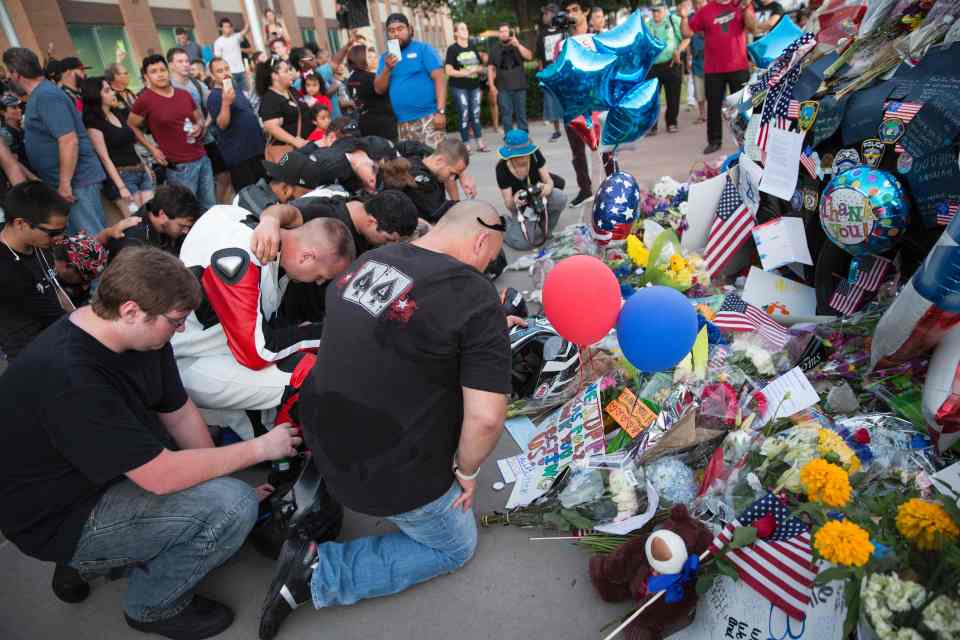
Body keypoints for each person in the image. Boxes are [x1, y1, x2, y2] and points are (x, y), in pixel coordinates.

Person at [0, 246, 300, 639]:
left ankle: (106, 555)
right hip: (56, 516)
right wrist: (259, 451)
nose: (180, 330)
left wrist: (216, 477)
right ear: (130, 311)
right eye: (175, 322)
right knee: (233, 507)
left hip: (88, 477)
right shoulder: (70, 376)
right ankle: (152, 606)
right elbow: (160, 477)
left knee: (221, 490)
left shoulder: (142, 339)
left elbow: (177, 411)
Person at [257, 200, 515, 639]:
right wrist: (466, 471)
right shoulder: (473, 296)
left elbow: (388, 339)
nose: (489, 268)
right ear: (479, 241)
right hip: (379, 464)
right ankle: (319, 573)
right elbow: (487, 418)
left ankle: (324, 491)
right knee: (456, 545)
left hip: (321, 432)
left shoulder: (370, 259)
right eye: (491, 257)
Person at [171, 204, 355, 440]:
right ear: (307, 256)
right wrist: (327, 332)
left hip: (208, 348)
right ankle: (285, 459)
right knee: (308, 371)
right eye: (320, 276)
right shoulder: (240, 257)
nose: (318, 283)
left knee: (293, 342)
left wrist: (271, 217)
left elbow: (292, 213)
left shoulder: (255, 225)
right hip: (186, 362)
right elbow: (257, 354)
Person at [4, 47, 107, 236]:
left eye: (8, 73)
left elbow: (68, 140)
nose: (7, 78)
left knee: (92, 241)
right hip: (66, 184)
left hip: (76, 184)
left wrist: (65, 183)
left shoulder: (47, 96)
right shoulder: (41, 95)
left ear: (16, 74)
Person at [128, 54, 217, 210]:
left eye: (162, 69)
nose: (160, 74)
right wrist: (153, 149)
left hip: (202, 158)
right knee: (186, 213)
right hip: (179, 167)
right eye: (154, 71)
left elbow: (200, 120)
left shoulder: (184, 94)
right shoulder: (144, 100)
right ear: (146, 76)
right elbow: (131, 125)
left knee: (210, 207)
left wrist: (199, 126)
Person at [0, 180, 72, 360]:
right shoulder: (6, 269)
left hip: (58, 336)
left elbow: (57, 290)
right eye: (53, 233)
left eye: (64, 230)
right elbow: (49, 313)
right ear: (21, 224)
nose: (59, 238)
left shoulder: (38, 243)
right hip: (30, 354)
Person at [250, 189, 420, 263]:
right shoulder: (327, 215)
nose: (388, 245)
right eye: (388, 239)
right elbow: (287, 213)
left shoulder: (358, 206)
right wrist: (270, 221)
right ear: (372, 222)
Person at [679, 0, 756, 155]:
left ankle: (748, 140)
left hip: (738, 65)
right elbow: (687, 33)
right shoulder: (706, 10)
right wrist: (683, 17)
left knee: (743, 106)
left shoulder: (741, 4)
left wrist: (747, 8)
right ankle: (714, 141)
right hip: (713, 68)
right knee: (713, 107)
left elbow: (752, 27)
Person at [82, 77, 153, 215]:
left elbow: (131, 145)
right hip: (122, 176)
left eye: (111, 89)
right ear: (96, 95)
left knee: (152, 215)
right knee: (139, 222)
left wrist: (145, 167)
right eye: (107, 90)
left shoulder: (118, 113)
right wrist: (121, 187)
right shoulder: (92, 122)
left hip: (140, 170)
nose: (113, 93)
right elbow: (104, 157)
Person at [168, 47, 230, 205]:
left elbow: (210, 105)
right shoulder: (169, 87)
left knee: (223, 174)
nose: (185, 64)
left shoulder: (196, 83)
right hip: (184, 146)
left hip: (206, 138)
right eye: (180, 61)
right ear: (171, 65)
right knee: (191, 191)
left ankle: (217, 207)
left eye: (187, 61)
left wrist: (205, 125)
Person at [375, 13, 446, 147]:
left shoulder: (423, 49)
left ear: (410, 29)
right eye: (391, 30)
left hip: (429, 118)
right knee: (412, 165)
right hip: (403, 122)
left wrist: (440, 112)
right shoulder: (385, 58)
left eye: (400, 29)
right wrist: (387, 68)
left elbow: (440, 79)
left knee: (436, 163)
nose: (396, 33)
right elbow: (379, 89)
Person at [553, 3, 598, 208]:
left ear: (585, 12)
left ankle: (611, 185)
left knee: (604, 148)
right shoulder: (561, 44)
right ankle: (585, 189)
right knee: (577, 152)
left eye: (575, 10)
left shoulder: (598, 38)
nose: (570, 15)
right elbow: (556, 73)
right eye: (568, 11)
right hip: (572, 104)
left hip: (597, 101)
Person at [496, 129, 566, 249]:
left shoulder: (535, 154)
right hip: (521, 206)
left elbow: (549, 181)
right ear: (509, 156)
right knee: (523, 244)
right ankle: (505, 224)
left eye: (525, 154)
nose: (523, 158)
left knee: (560, 197)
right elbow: (508, 204)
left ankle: (545, 228)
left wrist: (547, 188)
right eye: (518, 156)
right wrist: (515, 200)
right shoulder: (501, 168)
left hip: (538, 197)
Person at [207, 57, 268, 193]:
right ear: (212, 75)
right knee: (252, 196)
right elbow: (222, 125)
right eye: (219, 71)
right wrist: (225, 103)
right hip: (240, 156)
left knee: (266, 190)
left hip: (256, 150)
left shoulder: (236, 89)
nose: (225, 73)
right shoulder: (215, 96)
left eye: (227, 69)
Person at [103, 183, 204, 261]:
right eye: (182, 226)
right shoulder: (134, 246)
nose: (186, 231)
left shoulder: (157, 208)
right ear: (162, 215)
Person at [397, 138, 471, 222]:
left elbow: (414, 145)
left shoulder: (416, 152)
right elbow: (437, 212)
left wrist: (462, 175)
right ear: (439, 160)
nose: (452, 178)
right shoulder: (419, 178)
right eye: (451, 173)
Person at [257, 57, 315, 157]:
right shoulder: (269, 99)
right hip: (291, 152)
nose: (290, 73)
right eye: (286, 71)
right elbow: (271, 127)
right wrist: (294, 141)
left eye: (290, 69)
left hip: (308, 145)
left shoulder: (292, 91)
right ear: (274, 76)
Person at [445, 23, 488, 153]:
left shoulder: (472, 46)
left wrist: (479, 69)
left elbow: (480, 66)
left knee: (475, 114)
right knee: (464, 114)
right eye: (462, 29)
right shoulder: (453, 49)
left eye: (466, 28)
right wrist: (466, 73)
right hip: (459, 87)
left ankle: (480, 143)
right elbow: (448, 70)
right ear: (456, 33)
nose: (466, 31)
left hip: (474, 86)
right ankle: (466, 145)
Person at [646, 2, 686, 135]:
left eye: (658, 10)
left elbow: (687, 38)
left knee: (673, 97)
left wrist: (679, 51)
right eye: (653, 11)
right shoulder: (647, 24)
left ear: (664, 9)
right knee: (651, 99)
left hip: (671, 65)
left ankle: (672, 122)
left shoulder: (674, 20)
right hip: (653, 67)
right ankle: (652, 125)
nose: (656, 14)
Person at [344, 43, 396, 141]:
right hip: (382, 123)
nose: (373, 59)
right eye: (368, 56)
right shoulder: (369, 77)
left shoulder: (351, 79)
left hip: (364, 121)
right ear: (360, 58)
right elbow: (382, 91)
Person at [487, 24, 534, 134]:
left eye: (505, 31)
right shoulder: (494, 49)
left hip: (520, 86)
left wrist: (518, 45)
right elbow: (490, 68)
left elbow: (529, 56)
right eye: (501, 31)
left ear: (510, 33)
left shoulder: (517, 44)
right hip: (503, 87)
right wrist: (492, 86)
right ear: (499, 34)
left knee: (521, 113)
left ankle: (524, 136)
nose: (503, 33)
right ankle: (509, 137)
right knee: (506, 114)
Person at [536, 4, 565, 142]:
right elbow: (540, 57)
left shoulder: (563, 30)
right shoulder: (542, 34)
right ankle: (557, 130)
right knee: (551, 101)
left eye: (546, 14)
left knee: (566, 99)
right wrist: (541, 75)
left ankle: (573, 126)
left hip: (563, 70)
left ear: (553, 14)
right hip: (549, 71)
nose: (544, 17)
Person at [214, 17, 252, 93]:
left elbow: (245, 30)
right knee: (232, 94)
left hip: (241, 71)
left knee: (246, 93)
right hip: (229, 74)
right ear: (221, 28)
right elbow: (218, 59)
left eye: (229, 26)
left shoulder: (236, 37)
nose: (228, 28)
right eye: (225, 27)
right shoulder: (218, 42)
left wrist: (248, 21)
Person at [690, 0, 708, 124]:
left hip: (712, 60)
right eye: (696, 3)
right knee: (699, 89)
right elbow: (688, 38)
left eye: (701, 2)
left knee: (714, 90)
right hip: (697, 60)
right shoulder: (692, 18)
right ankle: (702, 114)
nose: (698, 6)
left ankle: (715, 113)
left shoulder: (712, 15)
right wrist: (688, 57)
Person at [0, 93, 27, 166]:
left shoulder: (21, 127)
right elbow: (15, 164)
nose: (19, 110)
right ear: (3, 112)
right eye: (14, 107)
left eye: (19, 107)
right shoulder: (5, 134)